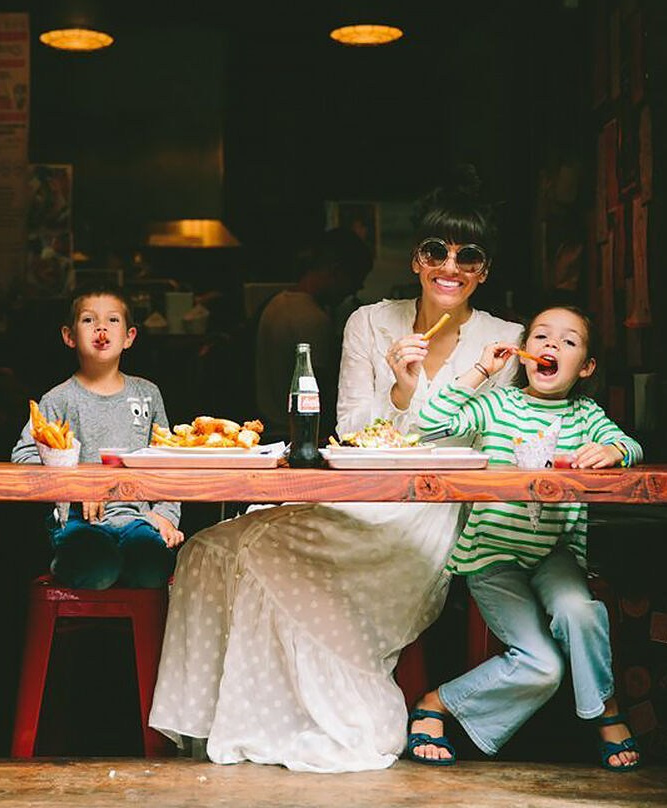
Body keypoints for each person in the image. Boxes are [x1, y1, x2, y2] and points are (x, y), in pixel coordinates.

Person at [148, 168, 522, 772]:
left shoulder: (503, 340)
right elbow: (349, 431)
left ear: (484, 270)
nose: (450, 267)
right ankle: (222, 721)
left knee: (258, 551)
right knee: (209, 549)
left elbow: (485, 441)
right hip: (357, 496)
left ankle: (310, 717)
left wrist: (417, 405)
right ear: (416, 260)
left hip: (430, 517)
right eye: (436, 251)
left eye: (468, 256)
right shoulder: (370, 323)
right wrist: (400, 393)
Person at [408, 304, 641, 772]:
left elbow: (633, 448)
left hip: (554, 554)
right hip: (493, 557)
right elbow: (429, 423)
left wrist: (612, 450)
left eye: (569, 341)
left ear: (587, 366)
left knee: (580, 610)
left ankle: (604, 709)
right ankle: (438, 702)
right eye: (541, 337)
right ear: (523, 352)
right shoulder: (497, 405)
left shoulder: (586, 414)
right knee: (543, 667)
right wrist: (480, 370)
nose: (552, 345)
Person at [12, 287, 183, 589]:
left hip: (138, 520)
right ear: (69, 336)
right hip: (77, 521)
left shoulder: (148, 394)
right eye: (89, 320)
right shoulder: (58, 399)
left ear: (130, 336)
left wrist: (166, 515)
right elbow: (24, 457)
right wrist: (79, 487)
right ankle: (69, 561)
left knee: (151, 570)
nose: (102, 328)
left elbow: (168, 460)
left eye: (113, 320)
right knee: (98, 570)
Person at [255, 227, 373, 441]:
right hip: (297, 434)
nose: (356, 289)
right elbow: (318, 392)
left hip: (269, 426)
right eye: (355, 279)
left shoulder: (276, 303)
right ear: (336, 271)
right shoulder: (313, 319)